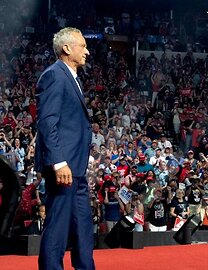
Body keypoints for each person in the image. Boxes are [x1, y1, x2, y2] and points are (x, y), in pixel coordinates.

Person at [34, 27, 95, 270]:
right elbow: (48, 121)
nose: (87, 52)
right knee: (58, 228)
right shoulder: (54, 75)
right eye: (83, 46)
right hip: (64, 167)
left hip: (75, 168)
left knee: (83, 227)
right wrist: (58, 162)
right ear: (67, 48)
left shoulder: (71, 76)